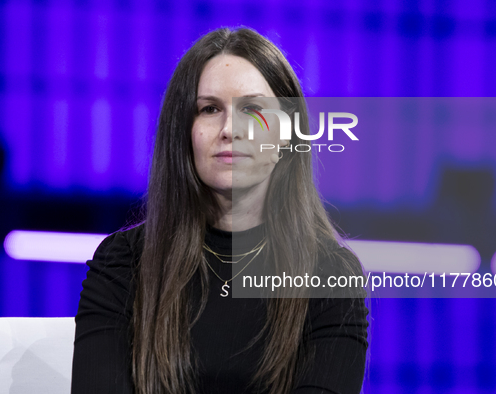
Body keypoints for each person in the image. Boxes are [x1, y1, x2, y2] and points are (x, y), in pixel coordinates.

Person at [71, 27, 369, 394]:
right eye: (209, 109)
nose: (230, 129)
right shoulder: (123, 263)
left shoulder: (331, 273)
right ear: (183, 132)